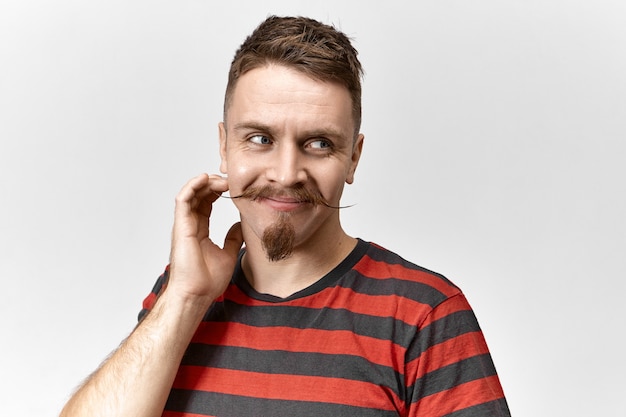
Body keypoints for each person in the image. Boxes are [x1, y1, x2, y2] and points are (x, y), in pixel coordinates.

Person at [60, 15, 510, 417]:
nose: (286, 173)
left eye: (319, 144)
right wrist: (184, 297)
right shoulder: (182, 296)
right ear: (224, 146)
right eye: (260, 139)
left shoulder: (424, 313)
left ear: (353, 159)